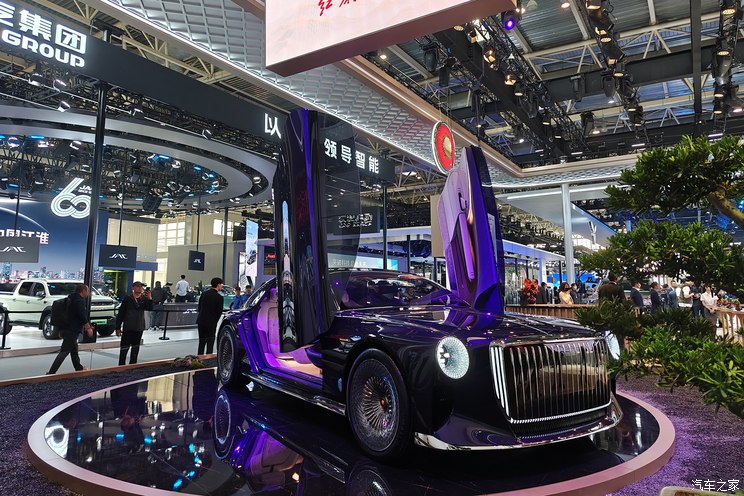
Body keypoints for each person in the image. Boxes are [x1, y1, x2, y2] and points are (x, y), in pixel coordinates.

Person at [47, 284, 94, 374]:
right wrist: (88, 328)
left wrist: (60, 329)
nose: (88, 293)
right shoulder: (79, 300)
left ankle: (78, 368)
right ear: (83, 291)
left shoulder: (69, 298)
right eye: (87, 291)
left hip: (65, 327)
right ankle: (51, 372)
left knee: (74, 350)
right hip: (72, 330)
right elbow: (82, 315)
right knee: (64, 352)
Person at [115, 281, 153, 365]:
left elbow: (150, 309)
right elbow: (121, 313)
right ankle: (121, 366)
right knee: (124, 348)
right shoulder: (128, 299)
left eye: (141, 287)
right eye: (138, 286)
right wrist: (118, 327)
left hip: (139, 327)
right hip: (128, 327)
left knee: (135, 349)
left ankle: (132, 366)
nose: (140, 288)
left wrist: (150, 299)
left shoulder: (144, 299)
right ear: (133, 288)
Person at [196, 277, 224, 354]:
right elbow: (219, 312)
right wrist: (215, 321)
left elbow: (199, 307)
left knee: (201, 342)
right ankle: (208, 359)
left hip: (201, 321)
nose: (221, 286)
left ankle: (200, 358)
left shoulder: (204, 294)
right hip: (211, 322)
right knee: (210, 343)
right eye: (221, 284)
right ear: (218, 285)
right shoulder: (219, 297)